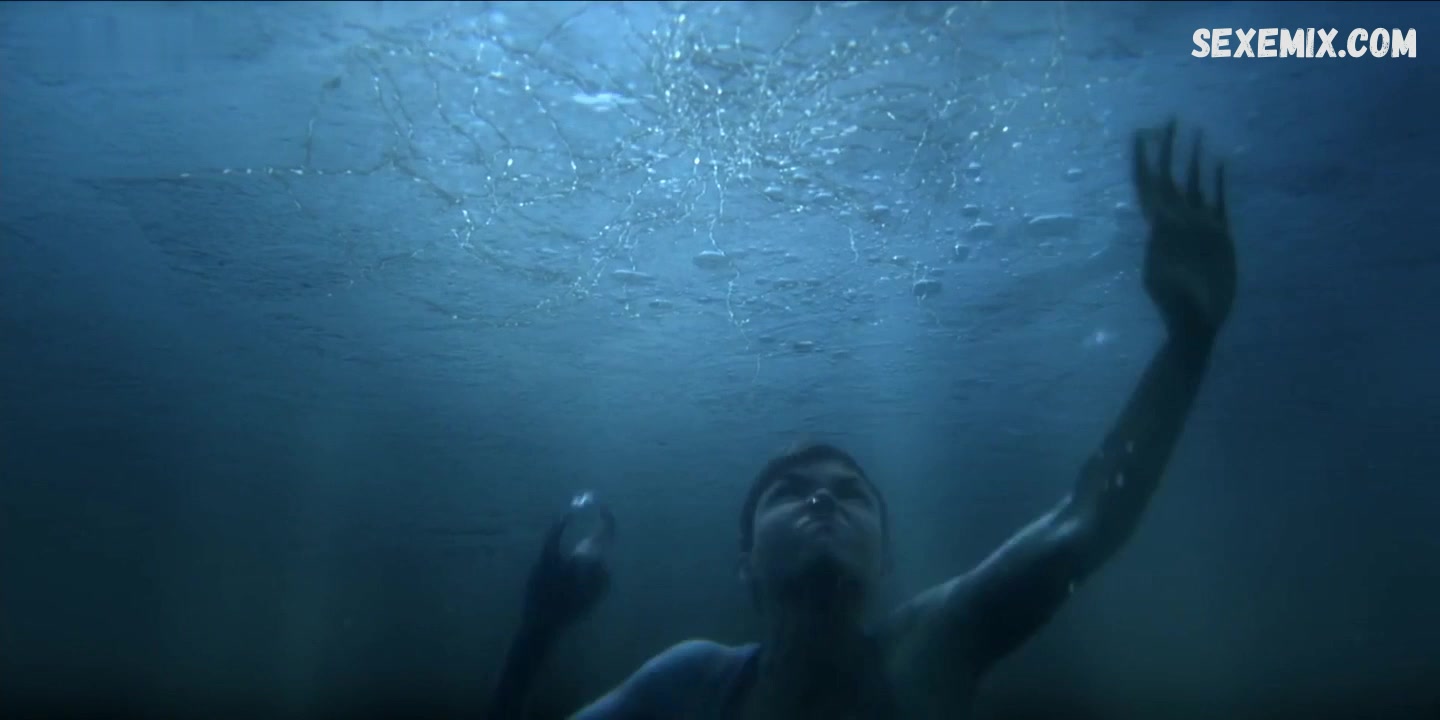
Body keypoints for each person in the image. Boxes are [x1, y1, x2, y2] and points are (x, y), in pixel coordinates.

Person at [484, 118, 1238, 719]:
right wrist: (536, 631)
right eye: (788, 490)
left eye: (850, 492)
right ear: (744, 562)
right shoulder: (690, 685)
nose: (821, 496)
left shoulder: (934, 646)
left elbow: (1088, 518)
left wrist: (1189, 343)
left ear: (887, 559)